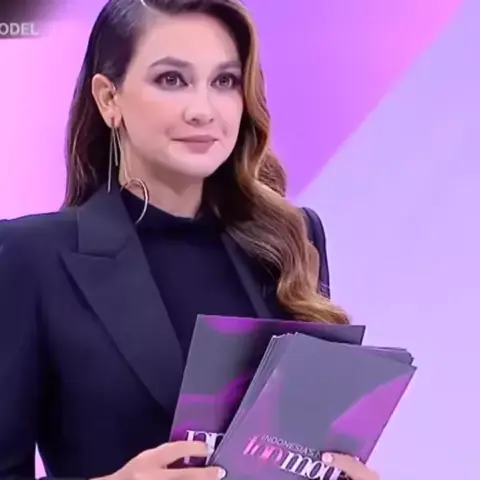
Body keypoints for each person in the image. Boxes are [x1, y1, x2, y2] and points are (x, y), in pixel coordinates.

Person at [0, 0, 381, 479]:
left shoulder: (292, 238)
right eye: (171, 79)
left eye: (224, 81)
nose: (203, 110)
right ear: (109, 98)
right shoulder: (31, 258)